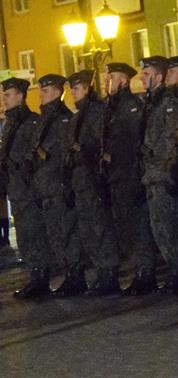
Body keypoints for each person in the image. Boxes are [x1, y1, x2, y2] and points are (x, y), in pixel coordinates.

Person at [138, 56, 178, 294]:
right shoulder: (150, 103)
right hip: (152, 175)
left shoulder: (168, 103)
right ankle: (176, 271)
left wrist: (170, 169)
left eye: (146, 74)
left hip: (163, 174)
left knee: (169, 226)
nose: (142, 78)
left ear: (159, 77)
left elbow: (172, 140)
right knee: (160, 227)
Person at [104, 62, 159, 295]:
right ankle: (139, 270)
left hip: (129, 174)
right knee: (127, 227)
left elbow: (136, 142)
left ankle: (146, 272)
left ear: (124, 81)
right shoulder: (112, 107)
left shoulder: (130, 106)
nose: (108, 82)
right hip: (116, 175)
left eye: (113, 77)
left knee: (139, 226)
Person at [66, 70, 122, 296]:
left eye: (77, 89)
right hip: (80, 180)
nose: (73, 93)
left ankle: (109, 273)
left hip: (94, 178)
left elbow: (100, 144)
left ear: (88, 89)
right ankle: (101, 271)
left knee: (101, 227)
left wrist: (84, 150)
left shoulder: (97, 112)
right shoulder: (77, 116)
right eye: (72, 90)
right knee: (88, 229)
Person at [2, 76, 54, 299]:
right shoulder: (9, 123)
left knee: (35, 233)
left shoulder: (32, 121)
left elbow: (35, 155)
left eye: (8, 95)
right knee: (24, 235)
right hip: (15, 188)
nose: (4, 99)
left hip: (29, 188)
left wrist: (20, 165)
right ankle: (35, 276)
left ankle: (42, 276)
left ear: (21, 96)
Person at [31, 74, 81, 297]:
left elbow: (62, 156)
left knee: (66, 232)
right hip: (46, 186)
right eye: (41, 90)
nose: (41, 94)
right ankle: (68, 274)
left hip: (58, 185)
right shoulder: (44, 119)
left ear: (58, 92)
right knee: (56, 234)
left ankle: (75, 276)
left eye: (46, 91)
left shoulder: (62, 119)